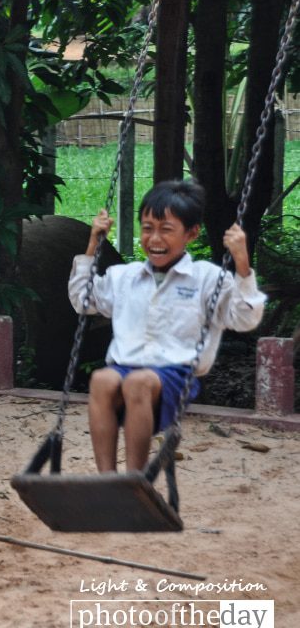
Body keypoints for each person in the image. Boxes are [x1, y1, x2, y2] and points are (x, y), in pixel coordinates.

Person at [69, 179, 266, 473]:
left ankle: (134, 480)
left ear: (191, 233)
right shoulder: (125, 276)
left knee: (139, 383)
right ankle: (106, 479)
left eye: (166, 229)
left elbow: (246, 318)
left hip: (176, 374)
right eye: (147, 228)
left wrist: (241, 262)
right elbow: (83, 301)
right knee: (101, 380)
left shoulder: (206, 279)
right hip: (126, 366)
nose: (155, 238)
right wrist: (93, 244)